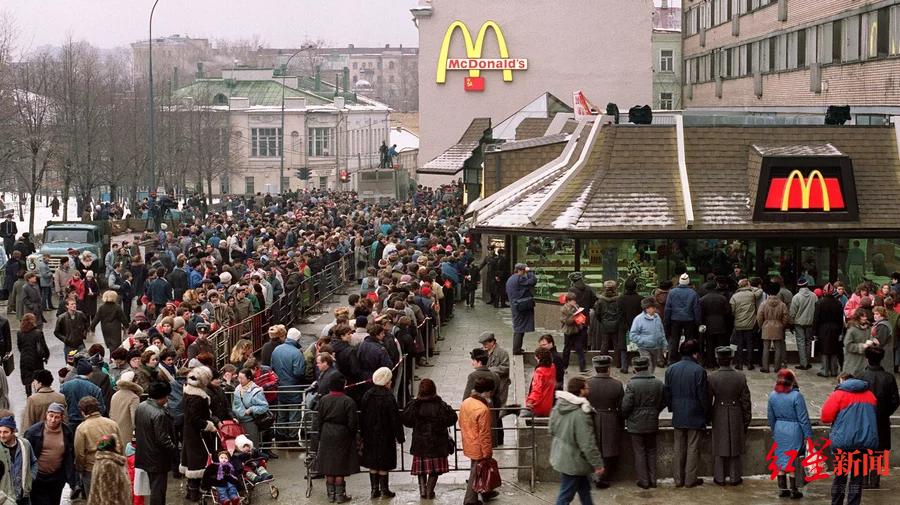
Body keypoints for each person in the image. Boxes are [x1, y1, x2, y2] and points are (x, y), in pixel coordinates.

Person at [820, 373, 879, 505]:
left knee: (841, 477)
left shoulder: (838, 394)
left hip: (843, 444)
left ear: (842, 381)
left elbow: (825, 417)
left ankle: (837, 503)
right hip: (865, 443)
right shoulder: (870, 395)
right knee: (857, 479)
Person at [548, 377, 604, 505]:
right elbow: (587, 443)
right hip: (574, 461)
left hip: (563, 456)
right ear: (581, 391)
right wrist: (598, 464)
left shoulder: (559, 406)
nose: (589, 390)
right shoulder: (581, 414)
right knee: (565, 495)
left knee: (584, 490)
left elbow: (551, 429)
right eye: (586, 387)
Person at [401, 378, 457, 500]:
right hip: (437, 444)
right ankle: (429, 491)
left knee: (421, 470)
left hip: (420, 443)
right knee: (434, 471)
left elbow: (406, 420)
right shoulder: (440, 405)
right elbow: (453, 418)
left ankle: (422, 490)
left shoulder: (415, 404)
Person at [664, 339, 709, 488]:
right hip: (695, 414)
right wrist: (706, 414)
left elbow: (667, 394)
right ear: (695, 354)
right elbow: (703, 396)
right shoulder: (699, 371)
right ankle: (690, 479)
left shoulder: (670, 369)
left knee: (679, 447)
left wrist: (672, 408)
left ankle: (678, 479)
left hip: (678, 413)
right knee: (692, 447)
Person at [707, 346, 751, 486]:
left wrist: (708, 417)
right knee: (735, 446)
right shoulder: (740, 376)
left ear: (718, 359)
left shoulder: (712, 377)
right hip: (735, 412)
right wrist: (746, 420)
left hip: (718, 412)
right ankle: (734, 477)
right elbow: (746, 401)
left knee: (719, 446)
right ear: (731, 359)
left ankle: (719, 477)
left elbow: (708, 400)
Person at [856, 347, 899, 489]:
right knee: (879, 452)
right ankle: (875, 480)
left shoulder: (860, 376)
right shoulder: (888, 377)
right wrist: (885, 412)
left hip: (863, 420)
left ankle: (862, 480)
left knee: (862, 450)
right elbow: (895, 400)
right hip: (881, 419)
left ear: (867, 358)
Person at [621, 356, 666, 489]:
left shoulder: (632, 384)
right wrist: (655, 411)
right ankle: (653, 480)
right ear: (647, 367)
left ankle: (644, 481)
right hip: (652, 421)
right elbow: (664, 401)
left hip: (636, 423)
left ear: (635, 369)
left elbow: (626, 406)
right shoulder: (658, 383)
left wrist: (627, 416)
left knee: (639, 452)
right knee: (651, 451)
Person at [766, 369, 812, 499]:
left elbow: (770, 416)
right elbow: (803, 419)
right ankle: (794, 490)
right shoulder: (797, 396)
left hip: (779, 429)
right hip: (794, 430)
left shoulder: (772, 395)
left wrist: (775, 431)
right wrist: (808, 436)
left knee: (781, 459)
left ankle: (782, 488)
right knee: (793, 460)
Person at [360, 367, 405, 499]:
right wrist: (400, 436)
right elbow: (394, 418)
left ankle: (374, 489)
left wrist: (362, 433)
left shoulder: (368, 395)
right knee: (384, 463)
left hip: (370, 435)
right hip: (386, 435)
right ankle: (385, 489)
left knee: (373, 463)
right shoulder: (388, 397)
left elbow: (362, 416)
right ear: (386, 381)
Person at [314, 378, 358, 504]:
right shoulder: (348, 401)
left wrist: (320, 434)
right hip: (342, 433)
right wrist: (352, 435)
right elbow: (352, 422)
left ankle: (330, 495)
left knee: (328, 464)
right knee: (340, 465)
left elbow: (319, 419)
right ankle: (340, 496)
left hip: (327, 433)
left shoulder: (323, 400)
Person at [23, 403, 77, 505]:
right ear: (46, 415)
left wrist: (69, 477)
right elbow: (25, 455)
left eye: (57, 417)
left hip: (57, 478)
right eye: (51, 416)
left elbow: (69, 454)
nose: (53, 420)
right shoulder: (33, 432)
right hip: (38, 478)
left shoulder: (67, 431)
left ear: (62, 418)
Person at [134, 381, 177, 505]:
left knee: (154, 487)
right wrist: (174, 450)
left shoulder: (141, 406)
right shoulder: (159, 414)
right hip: (157, 458)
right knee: (158, 490)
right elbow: (162, 439)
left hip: (144, 453)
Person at [181, 366, 218, 502]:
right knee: (197, 464)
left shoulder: (188, 391)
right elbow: (195, 419)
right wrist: (208, 425)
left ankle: (191, 492)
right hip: (197, 435)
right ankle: (195, 493)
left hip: (190, 433)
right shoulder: (198, 397)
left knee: (192, 463)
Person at [585, 355, 622, 489]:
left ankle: (595, 476)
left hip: (592, 417)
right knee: (609, 450)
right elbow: (621, 406)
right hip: (611, 417)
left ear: (595, 368)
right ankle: (605, 477)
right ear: (608, 368)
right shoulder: (617, 384)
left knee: (595, 448)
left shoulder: (587, 383)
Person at [74, 397, 122, 498]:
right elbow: (120, 446)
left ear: (83, 412)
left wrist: (80, 469)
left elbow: (80, 454)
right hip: (112, 466)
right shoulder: (113, 424)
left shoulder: (82, 428)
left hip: (92, 469)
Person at [460, 377, 494, 505]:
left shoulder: (466, 402)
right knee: (475, 473)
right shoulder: (483, 409)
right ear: (486, 392)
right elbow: (484, 434)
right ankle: (470, 501)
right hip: (478, 446)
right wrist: (487, 453)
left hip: (468, 442)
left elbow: (461, 422)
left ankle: (485, 492)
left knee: (475, 470)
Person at [269, 328, 305, 440]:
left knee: (282, 414)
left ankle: (280, 437)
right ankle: (292, 439)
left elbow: (272, 368)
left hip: (280, 387)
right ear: (297, 339)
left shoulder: (276, 350)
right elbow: (298, 372)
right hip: (293, 388)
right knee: (294, 415)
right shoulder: (297, 353)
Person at [664, 273, 701, 364]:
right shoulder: (693, 293)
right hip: (689, 319)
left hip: (675, 319)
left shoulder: (672, 292)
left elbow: (668, 307)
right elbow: (696, 309)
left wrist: (667, 320)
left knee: (674, 340)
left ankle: (672, 359)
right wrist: (698, 322)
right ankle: (689, 358)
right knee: (689, 340)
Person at [480, 332, 510, 444]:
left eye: (486, 343)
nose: (484, 346)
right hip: (487, 388)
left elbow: (505, 368)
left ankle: (499, 439)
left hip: (500, 387)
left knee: (497, 413)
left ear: (493, 342)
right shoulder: (483, 352)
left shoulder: (502, 353)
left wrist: (490, 370)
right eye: (483, 344)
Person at [0, 415, 36, 504]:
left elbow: (34, 462)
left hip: (23, 495)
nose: (2, 435)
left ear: (13, 432)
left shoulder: (25, 444)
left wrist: (30, 478)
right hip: (5, 497)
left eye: (5, 432)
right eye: (0, 432)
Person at [87, 434, 132, 505]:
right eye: (117, 442)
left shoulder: (103, 460)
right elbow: (108, 498)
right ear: (113, 446)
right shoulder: (108, 465)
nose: (120, 445)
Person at [60, 359, 106, 428]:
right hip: (89, 424)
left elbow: (61, 405)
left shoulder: (65, 386)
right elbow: (101, 409)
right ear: (90, 373)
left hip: (69, 423)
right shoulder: (95, 389)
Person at [231, 368, 269, 447]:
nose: (239, 380)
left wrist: (251, 409)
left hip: (250, 422)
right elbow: (235, 404)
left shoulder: (256, 391)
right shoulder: (238, 388)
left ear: (248, 378)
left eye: (242, 378)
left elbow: (264, 406)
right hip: (238, 421)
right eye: (238, 377)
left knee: (252, 445)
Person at [628, 298, 667, 373]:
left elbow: (662, 332)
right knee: (648, 366)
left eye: (655, 307)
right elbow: (632, 335)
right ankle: (647, 380)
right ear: (647, 308)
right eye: (653, 307)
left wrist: (664, 345)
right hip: (644, 348)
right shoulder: (638, 319)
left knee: (653, 367)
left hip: (656, 347)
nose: (655, 309)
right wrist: (644, 341)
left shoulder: (657, 317)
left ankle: (647, 378)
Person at [699, 277, 732, 367]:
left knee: (709, 344)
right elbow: (728, 311)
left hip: (708, 324)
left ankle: (710, 362)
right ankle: (720, 361)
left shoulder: (702, 300)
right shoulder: (722, 298)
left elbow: (700, 314)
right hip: (720, 323)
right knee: (720, 344)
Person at [757, 283, 790, 373]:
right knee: (778, 348)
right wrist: (782, 325)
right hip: (778, 326)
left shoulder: (764, 304)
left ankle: (765, 367)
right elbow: (786, 316)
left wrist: (761, 325)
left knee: (766, 348)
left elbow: (759, 316)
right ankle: (777, 367)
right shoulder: (782, 304)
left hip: (766, 325)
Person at [814, 283, 845, 377]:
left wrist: (814, 332)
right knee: (834, 349)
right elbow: (840, 319)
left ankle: (825, 370)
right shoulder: (838, 303)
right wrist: (840, 331)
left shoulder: (820, 303)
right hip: (835, 328)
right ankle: (834, 370)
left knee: (824, 350)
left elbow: (816, 318)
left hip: (823, 329)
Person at [729, 279, 760, 370]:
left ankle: (740, 363)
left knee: (740, 343)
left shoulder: (734, 296)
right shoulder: (752, 295)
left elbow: (732, 310)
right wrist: (751, 287)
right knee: (750, 343)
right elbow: (760, 291)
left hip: (739, 323)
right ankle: (750, 363)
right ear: (747, 285)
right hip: (750, 323)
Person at [506, 263, 536, 355]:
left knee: (519, 327)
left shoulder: (511, 279)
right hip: (520, 307)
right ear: (520, 271)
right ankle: (516, 350)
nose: (524, 273)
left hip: (516, 306)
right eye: (524, 271)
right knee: (519, 329)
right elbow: (533, 281)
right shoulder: (519, 278)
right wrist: (530, 271)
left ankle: (518, 348)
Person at [17, 313, 48, 397]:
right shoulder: (38, 332)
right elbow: (43, 346)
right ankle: (38, 395)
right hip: (36, 359)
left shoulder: (19, 333)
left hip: (24, 359)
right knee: (38, 377)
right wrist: (46, 356)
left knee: (27, 379)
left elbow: (19, 346)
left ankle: (28, 395)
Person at [789, 278, 816, 370]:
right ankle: (807, 362)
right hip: (810, 322)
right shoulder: (814, 296)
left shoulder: (796, 297)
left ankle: (803, 363)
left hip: (799, 323)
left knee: (801, 342)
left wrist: (791, 323)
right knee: (808, 342)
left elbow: (792, 312)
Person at [109, 371, 142, 446]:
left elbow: (111, 414)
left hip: (115, 431)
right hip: (128, 434)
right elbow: (135, 420)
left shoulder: (115, 395)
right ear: (134, 382)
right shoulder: (134, 397)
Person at [524, 348, 556, 417]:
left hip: (538, 406)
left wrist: (529, 402)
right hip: (548, 405)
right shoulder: (552, 367)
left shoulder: (539, 371)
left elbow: (536, 389)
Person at [560, 293, 588, 372]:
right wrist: (574, 317)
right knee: (567, 350)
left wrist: (581, 318)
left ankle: (583, 367)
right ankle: (564, 367)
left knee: (580, 349)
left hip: (577, 330)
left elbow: (579, 317)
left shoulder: (576, 307)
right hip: (568, 331)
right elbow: (566, 321)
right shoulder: (564, 309)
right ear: (568, 301)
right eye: (573, 301)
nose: (575, 302)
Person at [843, 308, 872, 376]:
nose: (865, 318)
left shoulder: (868, 328)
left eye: (865, 316)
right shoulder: (852, 329)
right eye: (863, 316)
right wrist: (862, 346)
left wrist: (872, 341)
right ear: (857, 317)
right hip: (853, 361)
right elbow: (847, 345)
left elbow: (869, 338)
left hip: (864, 360)